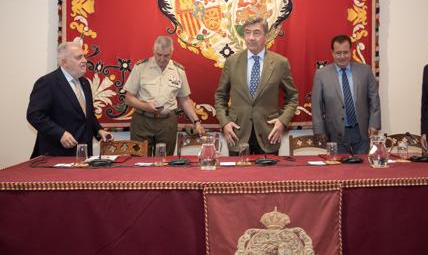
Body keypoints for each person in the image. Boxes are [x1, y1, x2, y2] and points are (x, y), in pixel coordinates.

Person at [215, 17, 299, 155]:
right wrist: (225, 122)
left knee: (267, 176)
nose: (251, 38)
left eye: (256, 33)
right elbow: (220, 96)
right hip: (237, 133)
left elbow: (293, 96)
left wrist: (282, 121)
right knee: (238, 176)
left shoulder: (280, 63)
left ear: (266, 36)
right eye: (247, 32)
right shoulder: (232, 62)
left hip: (269, 133)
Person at [27, 42, 112, 157]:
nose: (85, 60)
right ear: (64, 62)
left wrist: (99, 131)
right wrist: (60, 134)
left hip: (83, 154)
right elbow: (35, 115)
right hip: (56, 154)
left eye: (84, 56)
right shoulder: (47, 82)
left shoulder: (85, 82)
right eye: (79, 57)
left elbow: (87, 115)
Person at [123, 36, 205, 155]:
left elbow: (184, 100)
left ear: (172, 52)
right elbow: (128, 98)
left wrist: (196, 122)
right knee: (138, 161)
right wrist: (145, 106)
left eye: (166, 55)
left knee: (165, 162)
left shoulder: (179, 70)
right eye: (158, 54)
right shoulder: (141, 67)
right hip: (142, 122)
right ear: (153, 50)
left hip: (167, 124)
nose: (162, 59)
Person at [311, 35, 381, 154]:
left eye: (345, 52)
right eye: (338, 53)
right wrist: (319, 131)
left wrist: (374, 124)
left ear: (351, 51)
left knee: (362, 170)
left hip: (361, 132)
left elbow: (374, 99)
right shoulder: (321, 75)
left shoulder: (365, 71)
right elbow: (316, 106)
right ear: (332, 53)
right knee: (338, 171)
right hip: (335, 135)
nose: (342, 57)